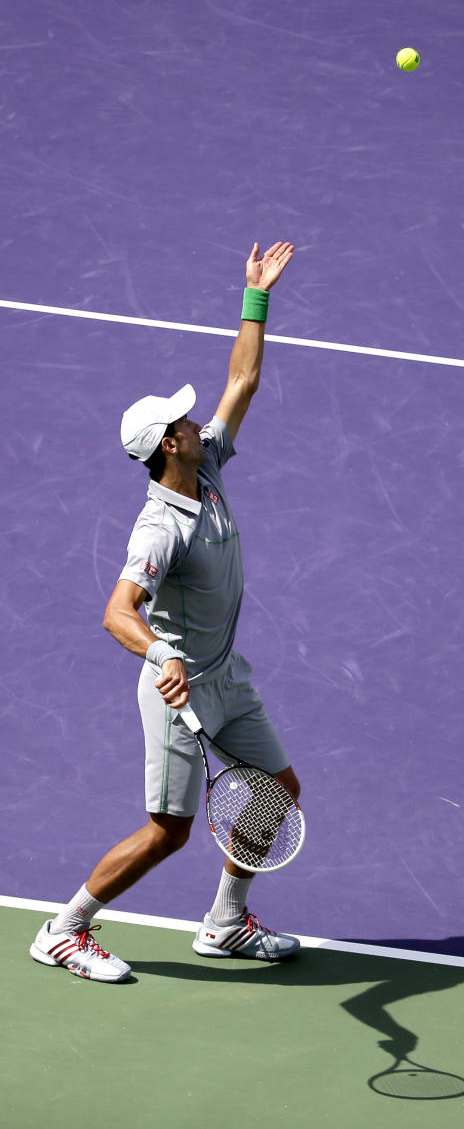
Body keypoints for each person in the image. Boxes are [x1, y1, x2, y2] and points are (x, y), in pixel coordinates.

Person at [30, 240, 300, 982]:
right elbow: (118, 611)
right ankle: (63, 928)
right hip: (174, 688)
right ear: (166, 446)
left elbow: (242, 378)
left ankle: (223, 923)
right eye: (182, 421)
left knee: (277, 790)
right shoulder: (158, 529)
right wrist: (161, 652)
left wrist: (255, 296)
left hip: (223, 675)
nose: (194, 421)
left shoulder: (205, 460)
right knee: (167, 832)